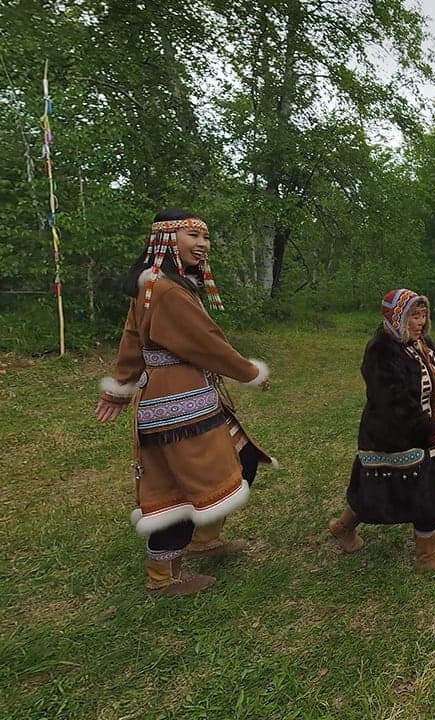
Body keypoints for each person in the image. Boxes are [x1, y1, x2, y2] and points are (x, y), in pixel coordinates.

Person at [95, 209, 273, 597]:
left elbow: (131, 340)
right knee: (179, 488)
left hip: (184, 397)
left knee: (241, 459)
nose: (202, 244)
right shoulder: (166, 290)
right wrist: (248, 372)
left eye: (205, 237)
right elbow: (204, 343)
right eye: (192, 235)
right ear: (164, 240)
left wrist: (120, 387)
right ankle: (162, 577)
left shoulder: (156, 285)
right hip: (178, 403)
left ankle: (204, 540)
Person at [328, 289, 435, 571]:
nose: (420, 321)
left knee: (376, 488)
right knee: (427, 493)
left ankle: (342, 527)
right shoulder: (380, 351)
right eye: (414, 316)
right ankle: (426, 556)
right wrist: (432, 430)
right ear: (397, 317)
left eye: (423, 314)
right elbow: (394, 404)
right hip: (392, 435)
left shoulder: (420, 342)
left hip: (417, 432)